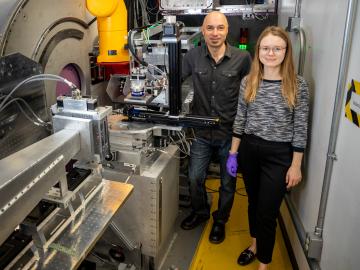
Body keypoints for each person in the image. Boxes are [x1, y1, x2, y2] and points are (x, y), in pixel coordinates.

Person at [226, 26, 309, 270]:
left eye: (277, 48)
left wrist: (296, 166)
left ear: (286, 51)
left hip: (279, 155)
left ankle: (264, 264)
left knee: (267, 211)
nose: (270, 53)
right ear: (258, 50)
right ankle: (255, 245)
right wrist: (233, 153)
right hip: (250, 150)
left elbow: (300, 128)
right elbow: (240, 119)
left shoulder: (297, 85)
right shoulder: (248, 81)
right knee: (252, 202)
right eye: (265, 48)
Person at [181, 11, 251, 244]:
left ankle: (220, 221)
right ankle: (200, 213)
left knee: (228, 183)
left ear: (227, 29)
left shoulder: (243, 59)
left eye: (220, 28)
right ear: (203, 30)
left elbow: (251, 94)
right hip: (201, 134)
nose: (215, 33)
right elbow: (174, 82)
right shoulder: (192, 57)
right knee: (194, 178)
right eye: (210, 28)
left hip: (230, 137)